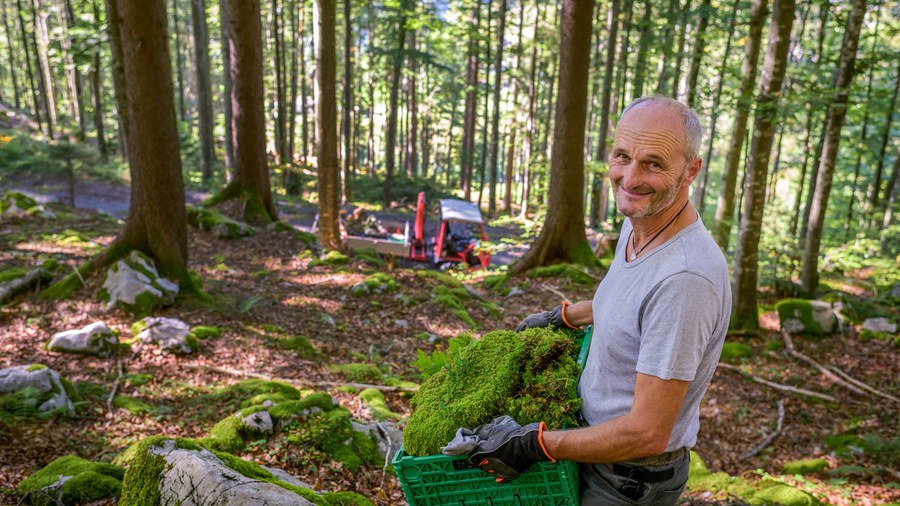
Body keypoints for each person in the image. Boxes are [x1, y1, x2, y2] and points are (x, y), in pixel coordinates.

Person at [446, 96, 731, 505]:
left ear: (691, 171)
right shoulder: (644, 221)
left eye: (653, 163)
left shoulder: (686, 279)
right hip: (596, 452)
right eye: (622, 156)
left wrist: (536, 445)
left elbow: (648, 431)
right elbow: (632, 301)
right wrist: (565, 316)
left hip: (628, 479)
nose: (630, 177)